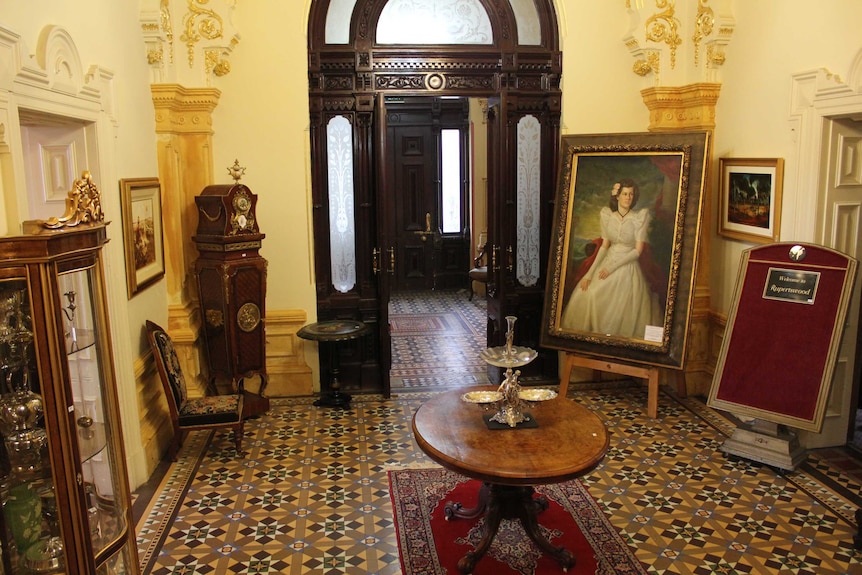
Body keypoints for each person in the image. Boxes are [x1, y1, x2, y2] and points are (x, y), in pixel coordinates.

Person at [561, 178, 662, 339]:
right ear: (617, 196)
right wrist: (589, 274)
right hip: (608, 259)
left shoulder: (639, 217)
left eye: (631, 194)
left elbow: (637, 251)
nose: (628, 197)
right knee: (588, 292)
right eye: (624, 194)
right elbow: (604, 246)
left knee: (620, 307)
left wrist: (612, 268)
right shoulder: (607, 215)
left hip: (627, 265)